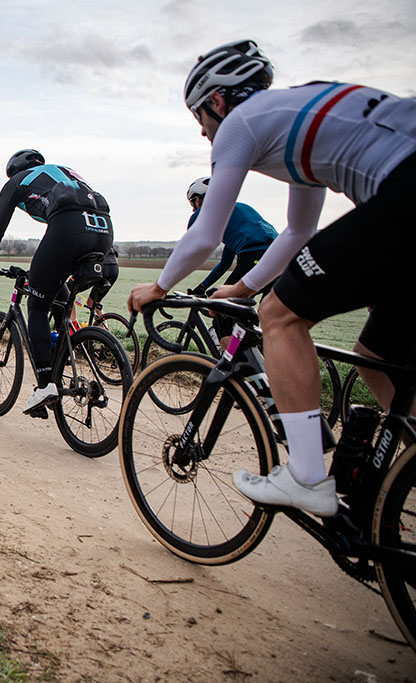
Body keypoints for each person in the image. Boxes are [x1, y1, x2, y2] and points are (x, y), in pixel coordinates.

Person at [127, 39, 416, 517]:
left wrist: (159, 287)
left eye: (199, 118)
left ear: (217, 101)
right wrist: (241, 288)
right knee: (377, 354)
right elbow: (300, 230)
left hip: (405, 190)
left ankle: (306, 476)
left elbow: (205, 234)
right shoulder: (299, 119)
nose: (203, 134)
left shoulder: (240, 123)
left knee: (278, 316)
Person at [0, 149, 114, 417]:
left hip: (69, 226)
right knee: (59, 300)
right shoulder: (64, 172)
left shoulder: (16, 182)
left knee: (37, 307)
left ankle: (46, 384)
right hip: (104, 230)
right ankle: (60, 361)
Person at [183, 176, 279, 346]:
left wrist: (163, 285)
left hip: (255, 257)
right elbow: (225, 263)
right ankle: (260, 358)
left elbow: (188, 251)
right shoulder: (239, 213)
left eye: (192, 204)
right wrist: (202, 287)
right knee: (267, 315)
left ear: (197, 199)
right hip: (282, 255)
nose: (193, 209)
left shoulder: (202, 213)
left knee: (222, 314)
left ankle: (232, 364)